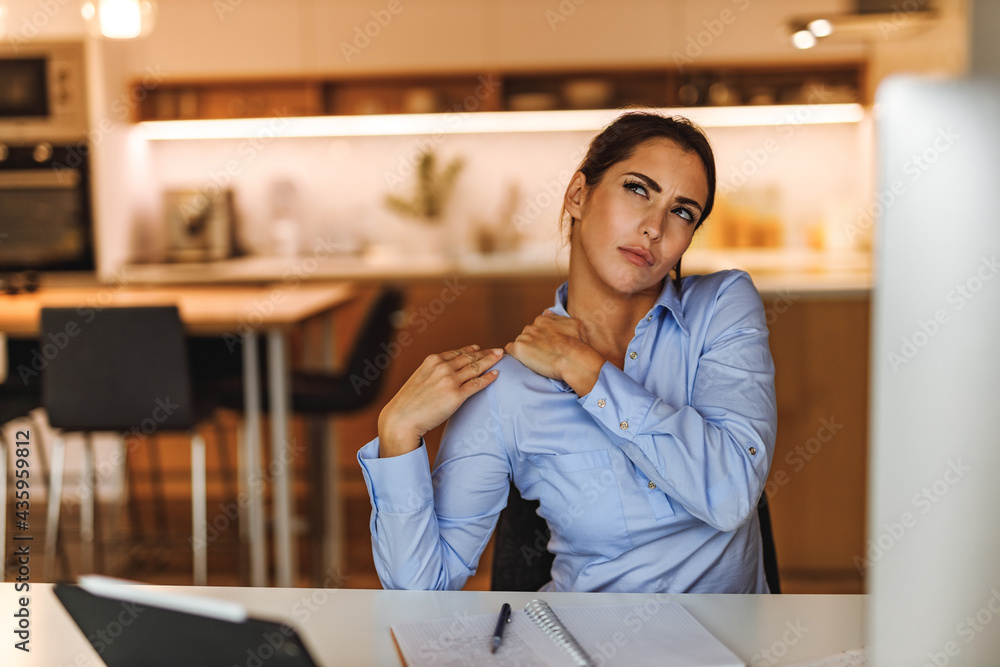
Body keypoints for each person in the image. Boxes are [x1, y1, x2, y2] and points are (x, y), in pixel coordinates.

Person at [357, 111, 777, 593]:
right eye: (638, 189)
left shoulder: (722, 307)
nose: (654, 228)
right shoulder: (504, 389)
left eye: (682, 211)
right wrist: (398, 434)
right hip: (585, 647)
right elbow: (421, 592)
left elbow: (731, 495)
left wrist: (584, 369)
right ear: (579, 195)